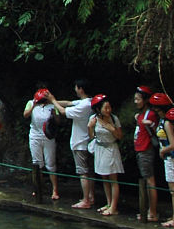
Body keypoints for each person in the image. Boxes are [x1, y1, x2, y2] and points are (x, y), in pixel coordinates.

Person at [56, 78, 96, 209]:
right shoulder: (89, 102)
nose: (75, 89)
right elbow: (68, 103)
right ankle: (90, 196)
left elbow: (63, 111)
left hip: (80, 142)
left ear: (81, 89)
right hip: (88, 142)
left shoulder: (84, 106)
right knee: (89, 172)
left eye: (76, 87)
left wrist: (51, 100)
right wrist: (51, 101)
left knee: (83, 172)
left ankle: (86, 200)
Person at [88, 93, 123, 216]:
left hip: (111, 148)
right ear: (98, 109)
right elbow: (92, 136)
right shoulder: (93, 119)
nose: (108, 110)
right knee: (104, 177)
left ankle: (114, 207)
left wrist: (111, 128)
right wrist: (90, 127)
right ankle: (108, 203)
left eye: (109, 107)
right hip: (100, 148)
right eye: (105, 108)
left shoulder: (114, 118)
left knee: (113, 179)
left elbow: (119, 136)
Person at [24, 88, 60, 200]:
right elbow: (25, 115)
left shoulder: (52, 106)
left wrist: (54, 115)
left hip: (48, 136)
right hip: (35, 136)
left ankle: (55, 190)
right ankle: (38, 188)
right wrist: (33, 106)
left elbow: (58, 121)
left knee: (51, 163)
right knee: (37, 163)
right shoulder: (31, 103)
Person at [135, 86, 162, 222]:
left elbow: (159, 131)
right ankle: (147, 211)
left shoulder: (150, 115)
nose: (135, 101)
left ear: (145, 100)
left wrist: (151, 124)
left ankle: (152, 212)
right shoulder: (140, 115)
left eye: (138, 99)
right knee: (146, 180)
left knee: (150, 180)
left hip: (146, 149)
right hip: (140, 149)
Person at [159, 99, 174, 227]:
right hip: (168, 159)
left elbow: (173, 144)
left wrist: (163, 150)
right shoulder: (163, 122)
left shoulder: (168, 123)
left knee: (173, 190)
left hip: (171, 158)